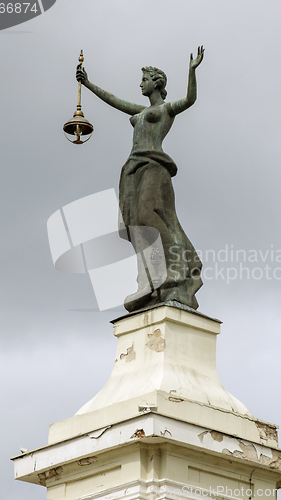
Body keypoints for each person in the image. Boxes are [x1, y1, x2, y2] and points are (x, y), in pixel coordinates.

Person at [76, 47, 205, 312]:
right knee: (136, 225)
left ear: (156, 83)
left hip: (154, 166)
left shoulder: (167, 109)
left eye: (144, 79)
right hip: (133, 169)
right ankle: (148, 280)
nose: (140, 84)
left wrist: (191, 71)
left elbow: (190, 100)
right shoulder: (140, 111)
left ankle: (176, 271)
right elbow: (115, 101)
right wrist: (87, 84)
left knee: (149, 215)